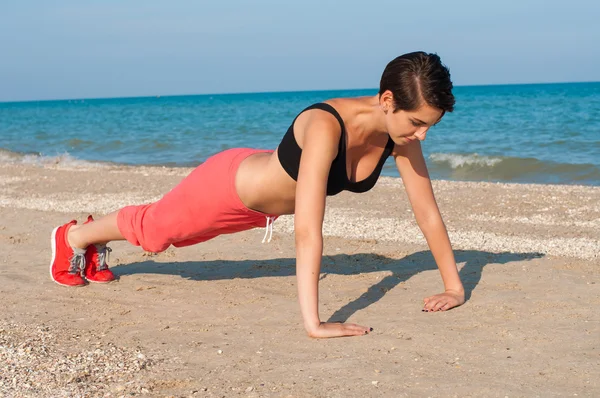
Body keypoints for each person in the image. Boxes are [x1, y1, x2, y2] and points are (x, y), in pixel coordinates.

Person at [50, 51, 465, 339]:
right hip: (229, 189)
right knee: (157, 233)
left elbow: (426, 212)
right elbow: (308, 230)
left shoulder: (401, 133)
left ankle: (92, 238)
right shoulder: (326, 125)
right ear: (388, 100)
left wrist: (453, 287)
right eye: (417, 122)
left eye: (430, 125)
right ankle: (74, 237)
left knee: (160, 230)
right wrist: (314, 323)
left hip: (263, 198)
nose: (422, 134)